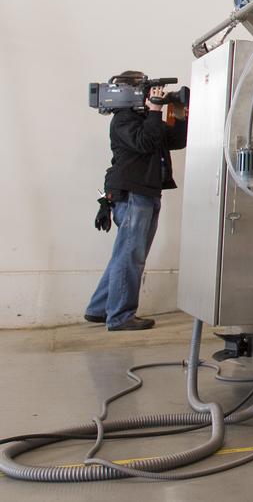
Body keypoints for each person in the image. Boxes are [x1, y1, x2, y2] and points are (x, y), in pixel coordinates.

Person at [85, 72, 188, 331]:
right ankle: (119, 317)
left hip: (146, 192)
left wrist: (177, 111)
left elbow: (176, 140)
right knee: (131, 255)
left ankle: (99, 309)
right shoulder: (124, 119)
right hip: (133, 195)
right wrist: (154, 110)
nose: (149, 93)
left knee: (125, 254)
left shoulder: (144, 118)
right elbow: (145, 142)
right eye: (144, 88)